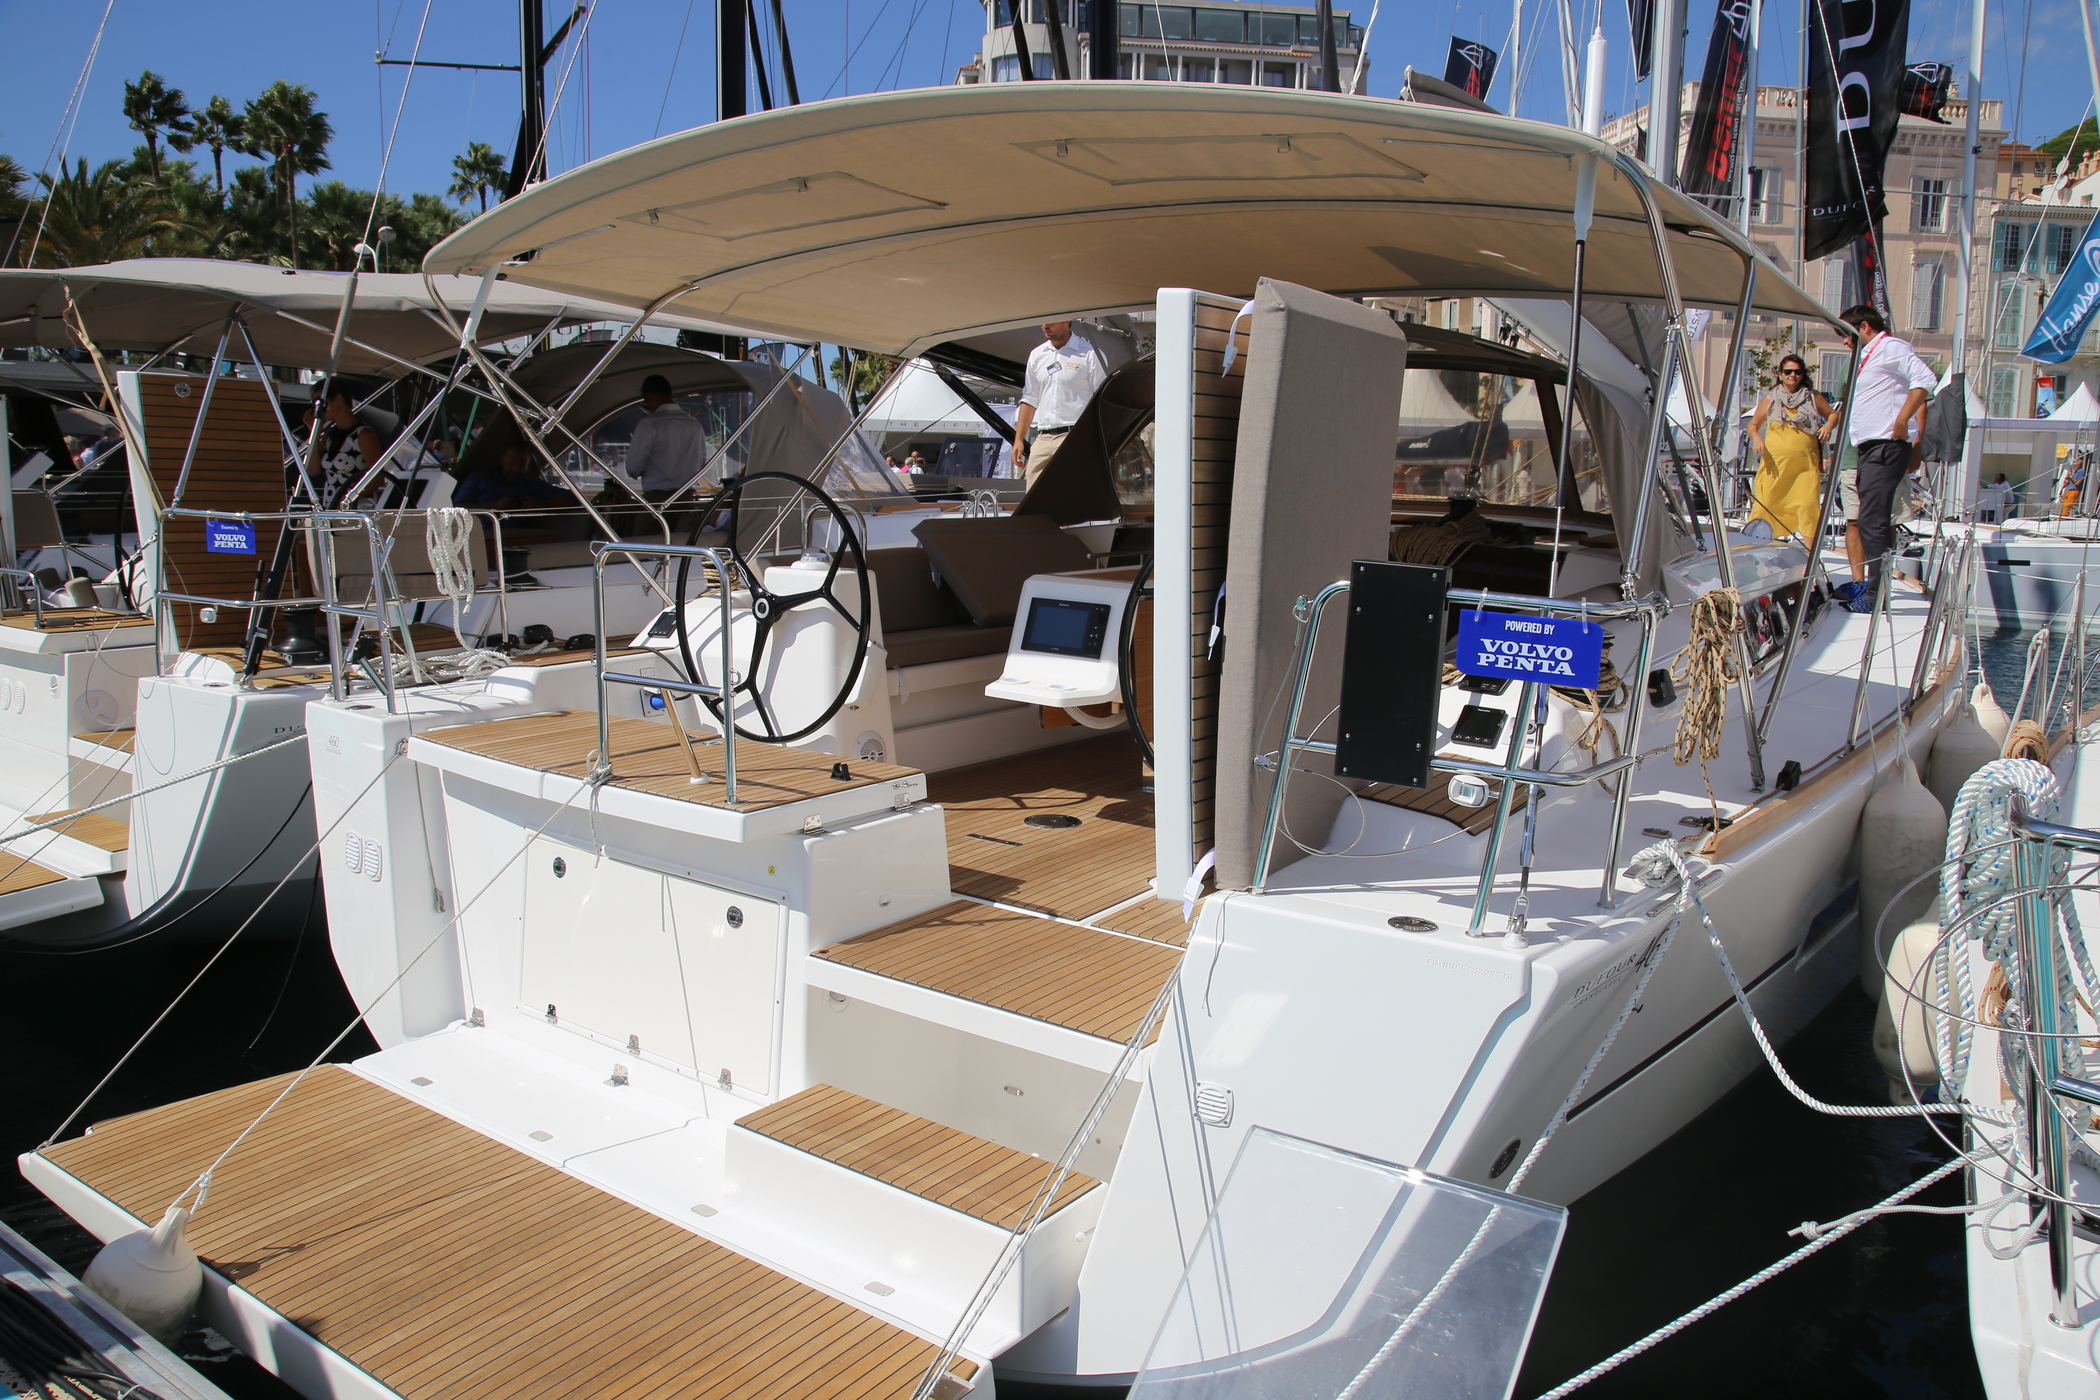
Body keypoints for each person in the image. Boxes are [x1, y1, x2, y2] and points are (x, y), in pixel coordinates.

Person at [1834, 304, 1935, 609]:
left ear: (1864, 327)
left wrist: (1903, 420)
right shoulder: (1867, 356)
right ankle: (1872, 588)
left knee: (1872, 520)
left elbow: (1925, 379)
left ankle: (1876, 596)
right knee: (1867, 519)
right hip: (1868, 448)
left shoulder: (1891, 347)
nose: (1844, 341)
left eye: (1846, 333)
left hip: (1886, 445)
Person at [1745, 355, 1840, 541]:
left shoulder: (1812, 397)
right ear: (1780, 375)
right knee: (1766, 506)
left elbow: (1833, 414)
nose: (1792, 375)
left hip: (1805, 467)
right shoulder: (1771, 398)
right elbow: (1752, 425)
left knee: (1807, 508)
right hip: (1776, 467)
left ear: (1803, 375)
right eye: (1788, 371)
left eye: (1797, 372)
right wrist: (1757, 440)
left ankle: (1812, 554)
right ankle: (1755, 546)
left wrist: (1828, 426)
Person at [1012, 320, 1108, 487]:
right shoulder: (1037, 355)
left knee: (1073, 493)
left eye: (1051, 321)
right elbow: (1030, 398)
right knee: (1035, 496)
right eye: (1042, 321)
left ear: (1066, 320)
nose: (1045, 325)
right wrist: (1019, 439)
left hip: (1074, 437)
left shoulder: (1090, 354)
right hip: (1043, 438)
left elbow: (1102, 399)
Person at [622, 374, 709, 501]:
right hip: (686, 498)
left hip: (657, 498)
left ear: (650, 395)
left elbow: (633, 467)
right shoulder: (694, 424)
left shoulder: (649, 424)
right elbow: (702, 463)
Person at [304, 385, 386, 507]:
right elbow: (312, 470)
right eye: (315, 404)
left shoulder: (363, 434)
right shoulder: (329, 433)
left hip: (356, 507)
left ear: (338, 398)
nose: (319, 408)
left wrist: (346, 500)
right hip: (332, 507)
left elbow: (377, 478)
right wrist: (315, 432)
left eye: (321, 402)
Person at [453, 441, 579, 510]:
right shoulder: (479, 479)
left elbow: (573, 498)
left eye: (521, 466)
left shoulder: (534, 486)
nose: (515, 470)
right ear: (503, 458)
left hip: (524, 537)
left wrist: (542, 504)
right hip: (484, 533)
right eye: (511, 464)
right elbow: (458, 508)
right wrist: (494, 506)